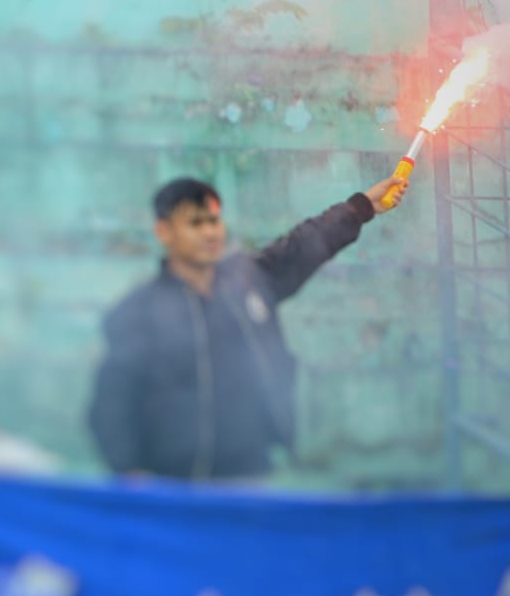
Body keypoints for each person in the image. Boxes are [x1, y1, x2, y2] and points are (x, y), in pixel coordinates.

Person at [89, 174, 410, 481]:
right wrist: (130, 473)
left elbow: (304, 244)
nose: (209, 233)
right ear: (164, 232)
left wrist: (361, 207)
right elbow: (111, 404)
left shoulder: (247, 280)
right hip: (178, 489)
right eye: (195, 223)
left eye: (213, 220)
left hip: (251, 476)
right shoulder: (140, 312)